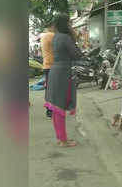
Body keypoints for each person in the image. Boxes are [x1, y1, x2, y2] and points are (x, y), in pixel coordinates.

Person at [44, 14, 82, 147]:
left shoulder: (56, 37)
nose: (71, 25)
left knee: (56, 107)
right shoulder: (65, 37)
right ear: (65, 24)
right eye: (69, 23)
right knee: (59, 105)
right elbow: (77, 54)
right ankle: (64, 141)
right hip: (62, 73)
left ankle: (61, 138)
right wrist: (74, 36)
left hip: (55, 71)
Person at [40, 22, 56, 118]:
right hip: (52, 66)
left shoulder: (43, 36)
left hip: (47, 66)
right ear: (51, 26)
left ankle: (50, 109)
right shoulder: (51, 35)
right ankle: (50, 110)